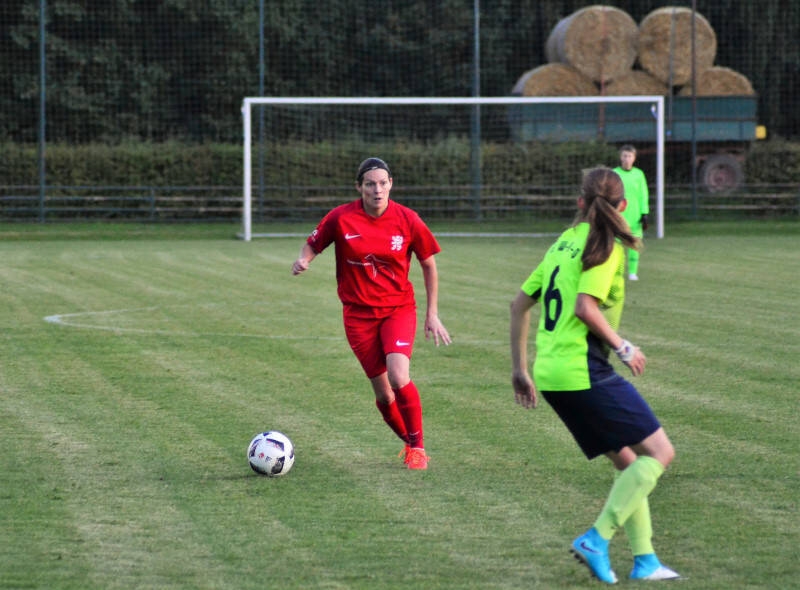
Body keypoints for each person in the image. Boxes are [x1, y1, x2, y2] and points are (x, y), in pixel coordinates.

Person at [509, 167, 680, 584]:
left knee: (629, 463)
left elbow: (518, 305)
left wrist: (519, 370)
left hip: (551, 373)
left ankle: (645, 561)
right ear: (623, 206)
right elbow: (585, 307)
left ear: (580, 202)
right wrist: (624, 347)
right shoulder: (605, 247)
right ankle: (596, 539)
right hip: (582, 369)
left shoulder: (563, 241)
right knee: (660, 453)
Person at [292, 157, 451, 470]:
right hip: (358, 315)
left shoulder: (408, 219)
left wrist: (432, 313)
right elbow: (313, 243)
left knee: (398, 375)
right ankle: (409, 443)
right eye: (370, 184)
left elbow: (428, 264)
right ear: (359, 187)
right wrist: (304, 260)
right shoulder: (341, 218)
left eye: (382, 183)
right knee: (384, 394)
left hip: (397, 309)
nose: (377, 190)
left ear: (391, 184)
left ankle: (418, 448)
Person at [613, 144, 649, 281]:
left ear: (634, 158)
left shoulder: (639, 174)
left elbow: (643, 194)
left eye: (629, 156)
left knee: (634, 244)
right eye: (624, 156)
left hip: (635, 216)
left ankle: (633, 272)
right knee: (616, 245)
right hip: (619, 215)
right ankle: (617, 271)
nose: (627, 159)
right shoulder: (614, 173)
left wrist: (644, 213)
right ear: (620, 157)